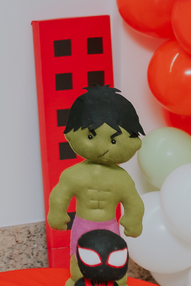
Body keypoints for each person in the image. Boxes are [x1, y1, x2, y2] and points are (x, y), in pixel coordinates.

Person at [46, 85, 144, 286]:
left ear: (134, 143)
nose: (102, 148)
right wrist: (57, 213)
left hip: (110, 225)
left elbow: (133, 201)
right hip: (83, 224)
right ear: (70, 134)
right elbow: (60, 194)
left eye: (114, 141)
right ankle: (78, 279)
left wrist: (133, 220)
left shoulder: (122, 180)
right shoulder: (74, 175)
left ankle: (119, 280)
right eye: (91, 136)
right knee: (77, 255)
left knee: (115, 255)